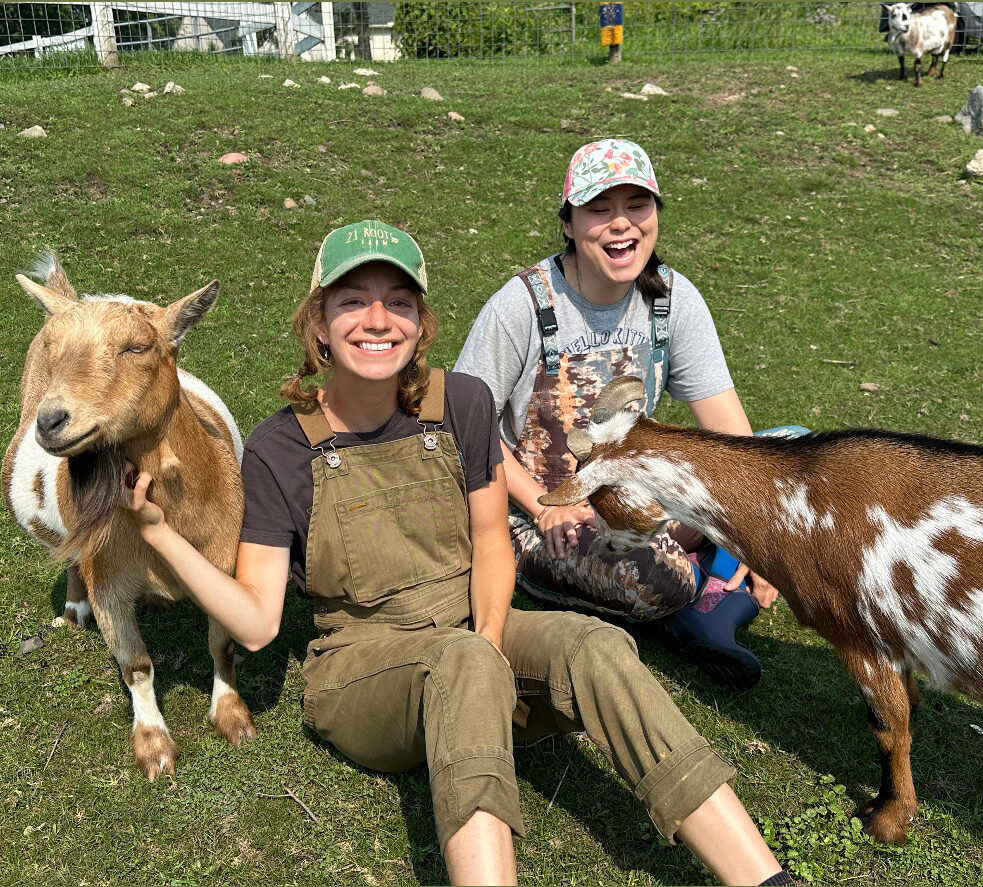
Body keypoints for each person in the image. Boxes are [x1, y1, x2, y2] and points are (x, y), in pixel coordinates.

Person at [118, 219, 793, 886]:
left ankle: (763, 878)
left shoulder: (461, 403)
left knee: (595, 644)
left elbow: (491, 541)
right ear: (318, 324)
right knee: (462, 657)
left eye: (398, 302)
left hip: (469, 629)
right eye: (352, 301)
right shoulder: (280, 447)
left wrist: (493, 640)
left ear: (419, 323)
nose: (377, 319)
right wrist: (156, 531)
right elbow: (261, 622)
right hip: (361, 672)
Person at [454, 138, 801, 691]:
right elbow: (465, 426)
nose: (622, 225)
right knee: (654, 578)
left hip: (642, 495)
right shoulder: (521, 305)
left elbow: (733, 436)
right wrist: (543, 513)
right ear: (568, 223)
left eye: (636, 205)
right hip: (544, 517)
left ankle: (706, 573)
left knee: (796, 450)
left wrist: (762, 529)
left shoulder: (671, 300)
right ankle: (704, 599)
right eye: (599, 209)